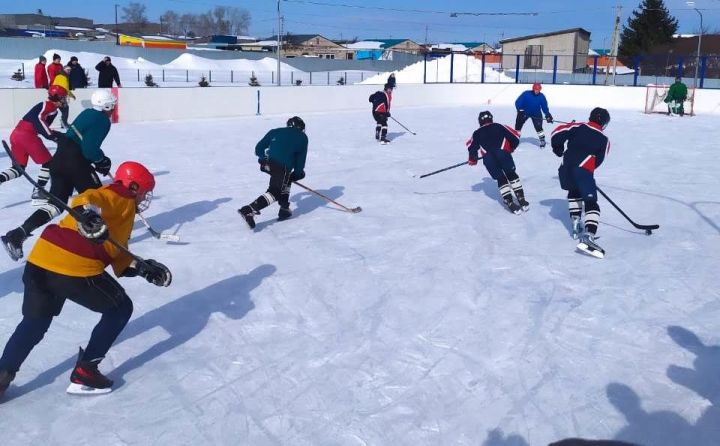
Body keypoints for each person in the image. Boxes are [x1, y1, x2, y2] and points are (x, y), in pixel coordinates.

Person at [0, 161, 171, 399]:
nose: (144, 197)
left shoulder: (122, 211)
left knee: (34, 324)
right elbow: (87, 198)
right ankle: (85, 373)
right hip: (73, 266)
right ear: (132, 186)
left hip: (41, 261)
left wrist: (144, 268)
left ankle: (1, 377)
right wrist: (87, 216)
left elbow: (118, 255)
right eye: (143, 190)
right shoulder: (117, 194)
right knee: (120, 308)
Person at [1, 89, 116, 261]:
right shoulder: (103, 120)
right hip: (76, 163)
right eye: (112, 104)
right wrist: (101, 160)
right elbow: (89, 149)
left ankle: (18, 234)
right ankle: (101, 235)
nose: (113, 107)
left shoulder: (87, 113)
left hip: (59, 160)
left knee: (56, 204)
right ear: (106, 105)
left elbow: (75, 137)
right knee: (96, 196)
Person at [550, 107, 611, 259]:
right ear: (604, 123)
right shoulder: (604, 140)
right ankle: (588, 236)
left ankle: (576, 225)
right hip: (583, 171)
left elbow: (556, 133)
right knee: (591, 202)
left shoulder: (576, 126)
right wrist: (587, 172)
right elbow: (599, 160)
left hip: (564, 170)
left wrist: (558, 149)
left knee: (574, 192)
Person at [1, 85, 68, 203]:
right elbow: (38, 119)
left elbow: (42, 125)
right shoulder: (49, 105)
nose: (65, 100)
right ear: (57, 97)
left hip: (17, 134)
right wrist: (52, 136)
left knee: (18, 169)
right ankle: (38, 191)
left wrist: (55, 134)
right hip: (27, 136)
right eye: (63, 97)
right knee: (49, 163)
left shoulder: (52, 109)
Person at [238, 117, 308, 229]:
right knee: (275, 192)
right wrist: (299, 174)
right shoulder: (302, 137)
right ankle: (248, 210)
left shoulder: (275, 131)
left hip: (267, 164)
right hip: (282, 167)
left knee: (286, 178)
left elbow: (258, 149)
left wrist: (264, 158)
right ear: (301, 127)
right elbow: (300, 160)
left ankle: (284, 208)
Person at [467, 110, 527, 214]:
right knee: (511, 173)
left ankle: (509, 201)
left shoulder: (476, 133)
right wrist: (511, 148)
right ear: (491, 118)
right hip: (503, 154)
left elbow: (471, 147)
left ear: (480, 121)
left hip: (488, 159)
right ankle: (521, 198)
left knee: (500, 178)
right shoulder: (499, 126)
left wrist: (473, 158)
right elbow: (516, 137)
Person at [514, 82, 553, 148]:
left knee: (538, 127)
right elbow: (518, 102)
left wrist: (547, 115)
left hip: (536, 114)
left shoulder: (541, 96)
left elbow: (544, 106)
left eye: (538, 90)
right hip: (524, 113)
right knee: (518, 125)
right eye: (536, 89)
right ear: (533, 89)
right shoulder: (526, 94)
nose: (537, 91)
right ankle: (515, 139)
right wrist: (520, 110)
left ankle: (542, 140)